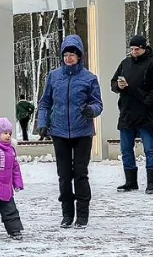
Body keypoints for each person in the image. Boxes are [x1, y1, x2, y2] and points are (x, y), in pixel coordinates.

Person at [37, 35, 104, 229]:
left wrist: (91, 110)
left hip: (82, 132)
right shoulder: (53, 76)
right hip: (59, 131)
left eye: (72, 55)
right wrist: (43, 122)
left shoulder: (89, 78)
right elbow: (45, 102)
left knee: (80, 173)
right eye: (66, 54)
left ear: (79, 56)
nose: (69, 58)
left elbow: (98, 103)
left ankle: (82, 215)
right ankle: (67, 214)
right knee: (64, 175)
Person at [111, 34, 153, 194]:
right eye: (132, 49)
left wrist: (146, 101)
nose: (134, 51)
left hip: (145, 112)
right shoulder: (125, 63)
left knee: (149, 148)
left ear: (143, 48)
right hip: (126, 111)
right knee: (126, 148)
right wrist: (118, 86)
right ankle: (130, 181)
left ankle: (152, 181)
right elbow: (113, 83)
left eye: (137, 49)